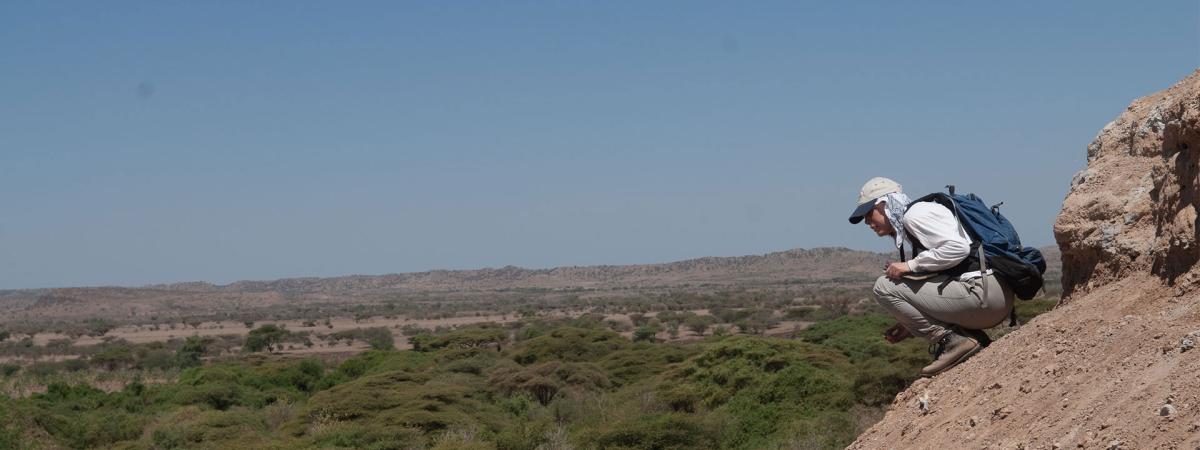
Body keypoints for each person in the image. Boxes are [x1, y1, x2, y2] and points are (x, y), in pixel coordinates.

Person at [847, 177, 1014, 376]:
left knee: (884, 286)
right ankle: (960, 340)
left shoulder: (915, 215)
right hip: (992, 295)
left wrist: (910, 265)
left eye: (868, 213)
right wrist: (910, 324)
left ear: (884, 205)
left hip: (983, 295)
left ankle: (956, 342)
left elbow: (957, 248)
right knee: (899, 282)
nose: (867, 222)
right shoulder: (918, 216)